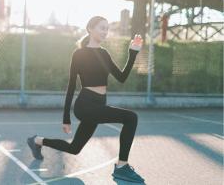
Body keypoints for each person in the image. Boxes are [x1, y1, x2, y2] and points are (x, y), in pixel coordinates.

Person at [27, 16, 144, 183]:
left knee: (74, 148)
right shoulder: (79, 54)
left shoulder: (104, 54)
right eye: (102, 28)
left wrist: (132, 53)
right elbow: (71, 85)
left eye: (107, 28)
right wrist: (66, 118)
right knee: (131, 118)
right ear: (90, 29)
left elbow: (122, 77)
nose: (105, 32)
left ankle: (36, 141)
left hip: (98, 104)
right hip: (85, 105)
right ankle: (121, 166)